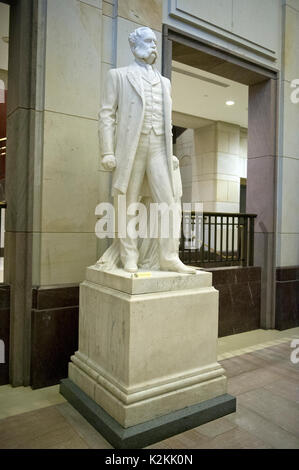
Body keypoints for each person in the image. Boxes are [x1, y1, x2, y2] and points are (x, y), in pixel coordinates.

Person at [98, 26, 195, 274]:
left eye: (155, 42)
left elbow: (166, 119)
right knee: (127, 202)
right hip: (131, 146)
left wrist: (170, 151)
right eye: (149, 41)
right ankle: (128, 255)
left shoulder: (165, 82)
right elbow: (107, 115)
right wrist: (107, 152)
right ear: (135, 45)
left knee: (169, 202)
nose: (154, 46)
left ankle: (169, 256)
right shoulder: (118, 76)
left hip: (159, 147)